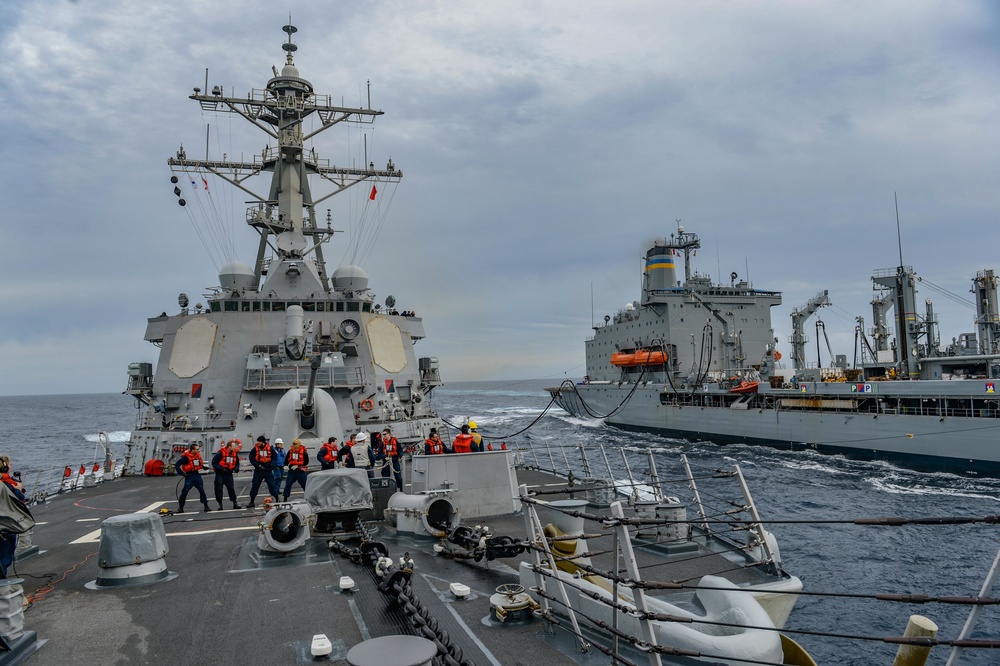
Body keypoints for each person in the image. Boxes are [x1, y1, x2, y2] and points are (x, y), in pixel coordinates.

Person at [175, 443, 211, 513]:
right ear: (192, 450)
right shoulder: (185, 458)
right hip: (189, 476)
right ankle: (180, 507)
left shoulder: (197, 456)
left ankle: (206, 506)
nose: (198, 450)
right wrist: (182, 474)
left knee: (202, 491)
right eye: (197, 449)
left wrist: (203, 467)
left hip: (197, 475)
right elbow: (177, 465)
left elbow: (197, 463)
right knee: (185, 492)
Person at [248, 435, 279, 508]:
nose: (258, 443)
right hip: (258, 470)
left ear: (263, 442)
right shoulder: (254, 450)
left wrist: (272, 465)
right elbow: (251, 458)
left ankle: (277, 499)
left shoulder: (270, 449)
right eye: (258, 441)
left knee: (271, 485)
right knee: (255, 485)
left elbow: (274, 457)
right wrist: (258, 465)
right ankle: (252, 501)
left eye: (260, 441)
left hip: (267, 470)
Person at [211, 439, 242, 510]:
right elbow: (214, 463)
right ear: (229, 446)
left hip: (228, 474)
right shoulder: (220, 454)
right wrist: (221, 469)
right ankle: (220, 504)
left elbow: (237, 462)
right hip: (220, 474)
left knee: (231, 488)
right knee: (219, 489)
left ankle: (234, 503)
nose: (234, 448)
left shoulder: (234, 454)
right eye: (233, 446)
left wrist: (236, 468)